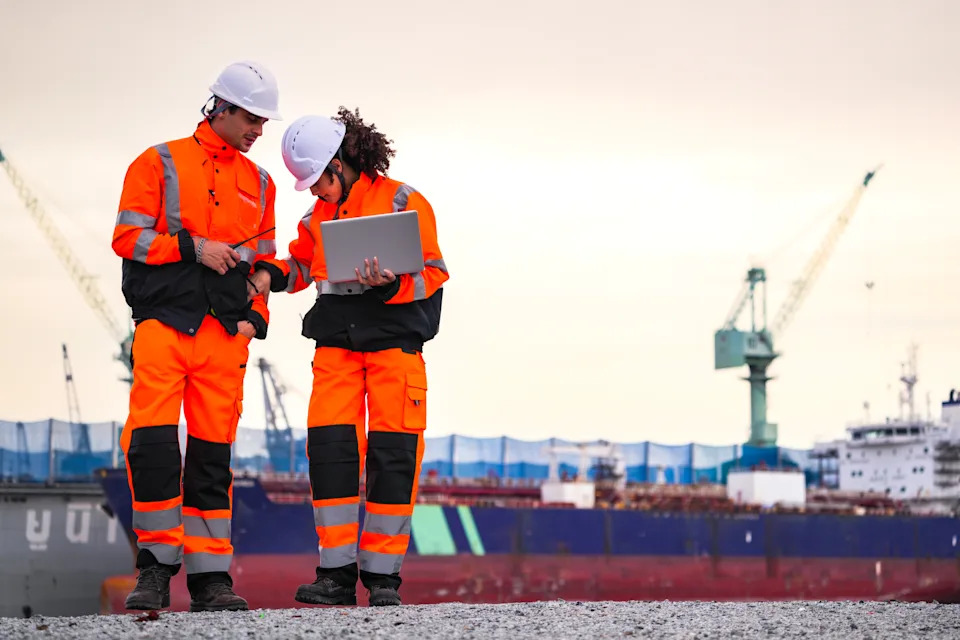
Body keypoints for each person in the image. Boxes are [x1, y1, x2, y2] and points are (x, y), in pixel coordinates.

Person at [248, 108, 449, 606]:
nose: (315, 193)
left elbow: (435, 273)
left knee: (393, 459)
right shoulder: (315, 217)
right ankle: (335, 575)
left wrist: (394, 283)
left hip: (395, 348)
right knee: (331, 458)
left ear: (341, 164)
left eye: (318, 182)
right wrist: (272, 275)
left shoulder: (402, 200)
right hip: (336, 348)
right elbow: (300, 264)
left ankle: (383, 579)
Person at [111, 60, 282, 612]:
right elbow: (128, 238)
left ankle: (211, 580)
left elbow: (263, 265)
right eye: (253, 119)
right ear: (223, 109)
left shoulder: (261, 183)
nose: (260, 131)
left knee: (213, 460)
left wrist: (257, 319)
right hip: (163, 326)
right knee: (153, 448)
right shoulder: (157, 162)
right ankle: (155, 570)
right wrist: (193, 247)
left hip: (223, 339)